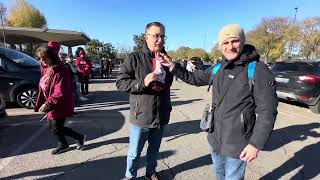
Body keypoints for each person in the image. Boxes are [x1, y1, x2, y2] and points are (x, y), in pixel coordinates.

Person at [161, 24, 278, 180]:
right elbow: (195, 78)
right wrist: (173, 66)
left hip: (238, 143)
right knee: (219, 176)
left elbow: (267, 111)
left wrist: (255, 144)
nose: (230, 47)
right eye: (225, 43)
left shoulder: (258, 70)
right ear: (221, 46)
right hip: (215, 139)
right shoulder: (218, 68)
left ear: (242, 42)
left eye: (234, 41)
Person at [116, 22, 173, 180]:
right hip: (141, 115)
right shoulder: (134, 58)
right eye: (156, 36)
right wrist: (142, 82)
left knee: (154, 150)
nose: (159, 40)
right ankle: (130, 175)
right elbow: (120, 83)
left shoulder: (166, 58)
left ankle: (150, 172)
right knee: (134, 152)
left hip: (161, 115)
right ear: (146, 37)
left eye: (162, 36)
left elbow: (168, 83)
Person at [34, 45, 85, 155]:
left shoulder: (61, 71)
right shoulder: (47, 68)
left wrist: (48, 103)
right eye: (40, 58)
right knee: (55, 127)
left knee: (56, 128)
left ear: (51, 57)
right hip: (52, 104)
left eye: (44, 58)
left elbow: (60, 92)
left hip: (60, 104)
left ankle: (78, 137)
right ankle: (64, 144)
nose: (41, 61)